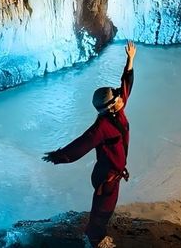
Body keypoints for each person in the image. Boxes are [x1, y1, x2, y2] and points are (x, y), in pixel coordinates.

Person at [43, 41, 137, 248]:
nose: (121, 96)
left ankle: (95, 234)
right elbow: (81, 145)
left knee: (107, 208)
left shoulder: (117, 112)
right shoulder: (101, 127)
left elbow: (125, 87)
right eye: (116, 97)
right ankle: (94, 239)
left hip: (113, 173)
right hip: (106, 176)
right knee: (102, 209)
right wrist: (59, 156)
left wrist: (130, 60)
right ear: (110, 106)